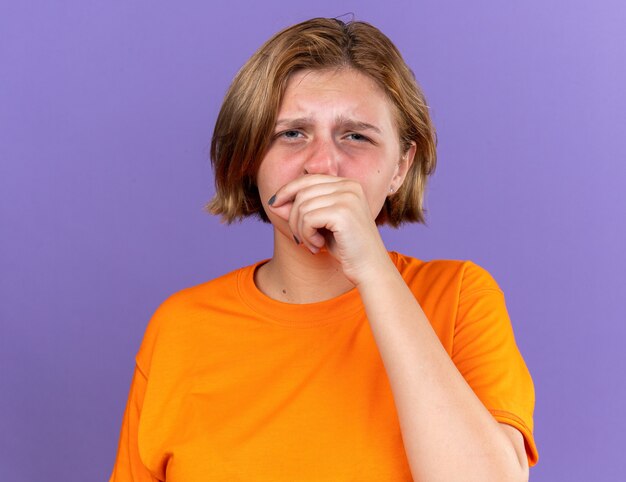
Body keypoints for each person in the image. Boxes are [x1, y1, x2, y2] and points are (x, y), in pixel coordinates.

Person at [110, 17, 538, 481]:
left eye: (356, 135)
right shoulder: (180, 328)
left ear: (400, 166)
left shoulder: (458, 299)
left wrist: (372, 269)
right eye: (291, 133)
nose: (321, 163)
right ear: (251, 158)